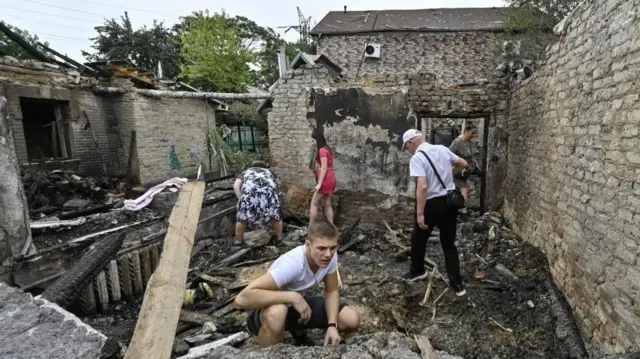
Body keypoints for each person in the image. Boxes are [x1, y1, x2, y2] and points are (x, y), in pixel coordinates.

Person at [233, 216, 361, 347]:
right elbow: (240, 300)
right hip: (268, 311)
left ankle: (298, 332)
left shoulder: (330, 256)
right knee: (277, 313)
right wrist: (292, 297)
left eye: (332, 248)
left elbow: (332, 290)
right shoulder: (293, 264)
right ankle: (272, 349)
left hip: (298, 308)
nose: (328, 254)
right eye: (321, 248)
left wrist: (332, 325)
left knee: (350, 319)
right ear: (308, 245)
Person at [400, 129, 469, 297]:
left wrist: (420, 214)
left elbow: (422, 187)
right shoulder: (442, 149)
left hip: (433, 203)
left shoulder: (417, 158)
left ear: (412, 143)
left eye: (407, 146)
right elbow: (463, 164)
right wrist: (449, 174)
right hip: (450, 202)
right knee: (448, 243)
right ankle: (457, 284)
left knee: (418, 237)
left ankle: (418, 271)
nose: (408, 149)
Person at [231, 161, 283, 250]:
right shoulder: (269, 172)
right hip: (268, 195)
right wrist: (275, 197)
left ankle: (238, 242)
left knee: (242, 219)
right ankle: (280, 239)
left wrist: (241, 199)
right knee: (276, 217)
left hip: (249, 195)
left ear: (252, 166)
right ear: (264, 167)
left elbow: (236, 186)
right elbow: (278, 184)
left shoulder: (246, 172)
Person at [449, 125, 479, 214]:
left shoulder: (470, 143)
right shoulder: (457, 142)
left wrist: (474, 167)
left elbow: (474, 155)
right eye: (472, 133)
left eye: (475, 133)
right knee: (461, 188)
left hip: (467, 170)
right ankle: (458, 208)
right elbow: (449, 154)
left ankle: (462, 208)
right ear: (466, 131)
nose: (474, 135)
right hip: (458, 169)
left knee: (465, 188)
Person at [310, 130, 337, 224]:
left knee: (314, 204)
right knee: (327, 204)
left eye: (313, 140)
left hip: (325, 179)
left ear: (317, 140)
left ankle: (310, 229)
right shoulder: (327, 149)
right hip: (331, 178)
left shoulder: (322, 150)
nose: (312, 143)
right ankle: (332, 227)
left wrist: (319, 184)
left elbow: (324, 168)